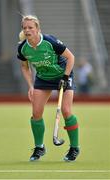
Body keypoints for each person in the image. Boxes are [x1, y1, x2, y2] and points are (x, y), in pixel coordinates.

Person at [17, 15, 80, 162]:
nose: (27, 30)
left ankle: (74, 148)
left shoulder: (49, 41)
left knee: (66, 111)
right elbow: (25, 67)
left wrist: (65, 77)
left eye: (31, 27)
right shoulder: (23, 48)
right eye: (25, 28)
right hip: (43, 78)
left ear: (37, 28)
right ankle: (39, 147)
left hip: (62, 74)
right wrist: (30, 86)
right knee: (36, 113)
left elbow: (71, 57)